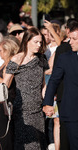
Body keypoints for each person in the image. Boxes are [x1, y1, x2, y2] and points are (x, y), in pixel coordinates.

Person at [3, 27, 48, 150]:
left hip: (38, 110)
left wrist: (48, 103)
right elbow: (5, 84)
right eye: (36, 42)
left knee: (39, 143)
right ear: (27, 41)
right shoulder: (17, 59)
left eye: (40, 42)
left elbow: (43, 85)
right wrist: (3, 104)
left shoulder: (41, 59)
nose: (39, 45)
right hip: (22, 110)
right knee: (28, 144)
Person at [43, 22, 78, 150]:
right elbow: (54, 81)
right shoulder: (65, 58)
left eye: (74, 39)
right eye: (70, 38)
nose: (70, 42)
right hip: (72, 112)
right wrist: (47, 103)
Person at [0, 37, 19, 150]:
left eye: (1, 50)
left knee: (4, 135)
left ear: (7, 51)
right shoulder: (4, 63)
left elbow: (5, 85)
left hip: (5, 103)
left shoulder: (10, 64)